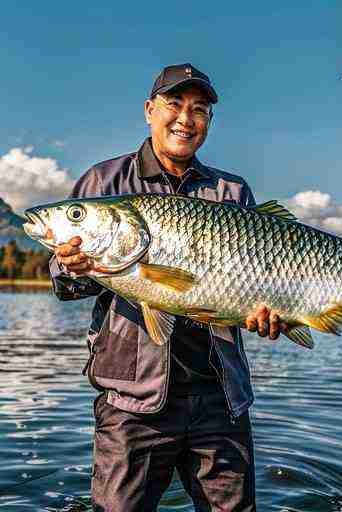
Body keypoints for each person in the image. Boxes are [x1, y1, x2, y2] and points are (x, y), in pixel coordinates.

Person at [49, 63, 285, 512]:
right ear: (149, 110)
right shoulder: (104, 183)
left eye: (199, 110)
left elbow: (261, 287)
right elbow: (60, 282)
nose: (185, 118)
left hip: (219, 396)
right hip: (131, 403)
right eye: (174, 104)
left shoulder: (232, 192)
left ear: (209, 123)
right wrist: (72, 266)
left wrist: (274, 316)